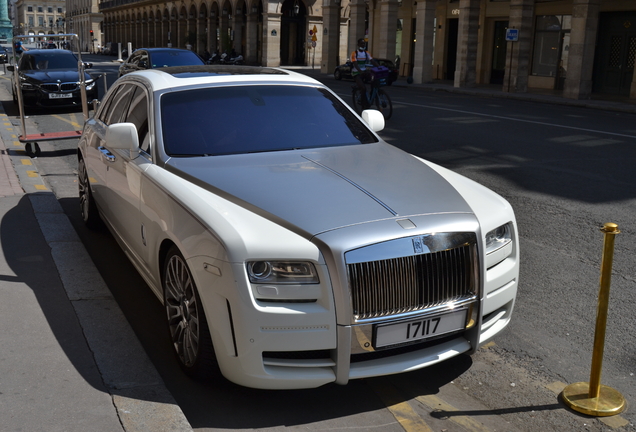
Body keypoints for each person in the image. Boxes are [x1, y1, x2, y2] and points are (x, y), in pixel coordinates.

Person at [351, 38, 379, 109]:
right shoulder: (354, 53)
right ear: (358, 45)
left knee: (375, 81)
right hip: (356, 73)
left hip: (364, 71)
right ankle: (363, 104)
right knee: (363, 88)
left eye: (364, 43)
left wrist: (379, 67)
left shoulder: (367, 53)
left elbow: (372, 61)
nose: (363, 45)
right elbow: (355, 64)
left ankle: (371, 96)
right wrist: (360, 71)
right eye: (361, 43)